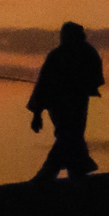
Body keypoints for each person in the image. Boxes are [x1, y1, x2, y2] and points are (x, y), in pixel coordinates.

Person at [28, 22, 104, 181]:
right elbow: (43, 84)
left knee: (70, 135)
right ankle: (74, 170)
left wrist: (79, 86)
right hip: (58, 104)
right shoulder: (58, 55)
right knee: (69, 135)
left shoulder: (85, 53)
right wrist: (37, 114)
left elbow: (95, 78)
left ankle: (51, 173)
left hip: (76, 102)